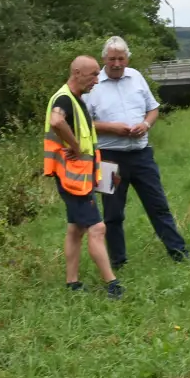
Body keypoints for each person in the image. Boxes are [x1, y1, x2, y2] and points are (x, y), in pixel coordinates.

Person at [84, 37, 190, 269]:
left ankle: (179, 253)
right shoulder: (92, 85)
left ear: (127, 59)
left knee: (158, 205)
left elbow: (153, 109)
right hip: (108, 158)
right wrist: (111, 128)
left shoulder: (136, 77)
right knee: (113, 213)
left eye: (121, 59)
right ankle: (118, 262)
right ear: (104, 59)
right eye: (112, 59)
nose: (117, 63)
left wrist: (146, 124)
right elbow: (83, 123)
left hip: (141, 155)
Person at [44, 56, 124, 299]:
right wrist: (75, 147)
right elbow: (56, 120)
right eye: (93, 75)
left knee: (76, 228)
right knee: (97, 228)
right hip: (73, 180)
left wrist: (103, 173)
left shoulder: (76, 99)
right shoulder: (64, 99)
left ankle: (72, 283)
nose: (97, 80)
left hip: (81, 176)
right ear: (77, 73)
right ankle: (112, 285)